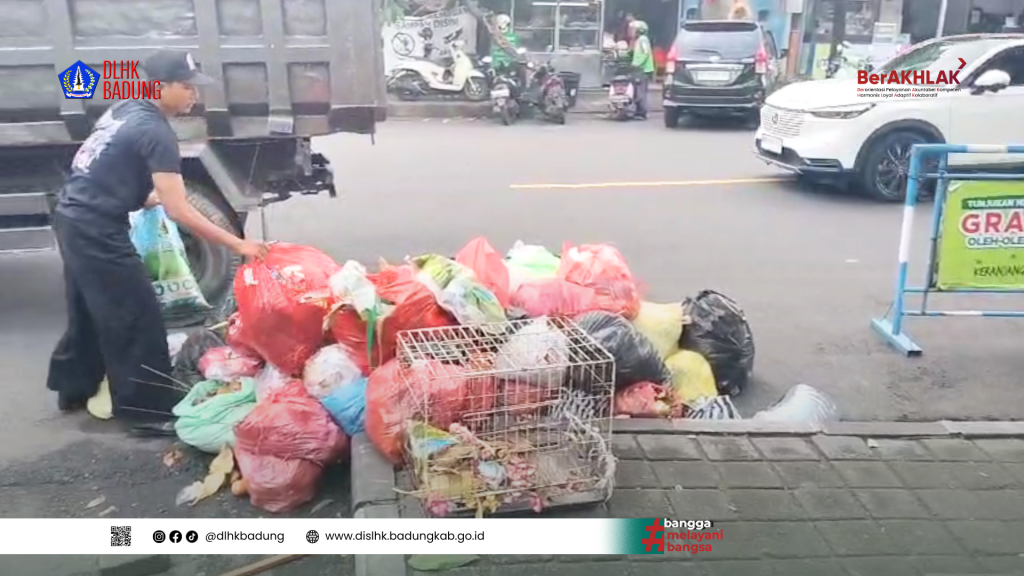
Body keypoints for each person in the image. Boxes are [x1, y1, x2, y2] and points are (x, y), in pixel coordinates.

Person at [47, 49, 268, 424]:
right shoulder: (156, 131)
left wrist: (137, 195)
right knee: (136, 315)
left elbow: (101, 162)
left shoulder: (123, 108)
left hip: (71, 216)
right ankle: (146, 413)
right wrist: (238, 244)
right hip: (97, 228)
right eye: (186, 87)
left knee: (86, 306)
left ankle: (74, 388)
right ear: (160, 86)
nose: (194, 96)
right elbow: (179, 209)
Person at [630, 20, 655, 120]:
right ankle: (638, 111)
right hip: (640, 68)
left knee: (641, 91)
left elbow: (645, 53)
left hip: (643, 69)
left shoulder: (643, 39)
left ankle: (642, 112)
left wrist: (637, 63)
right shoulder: (638, 40)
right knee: (637, 89)